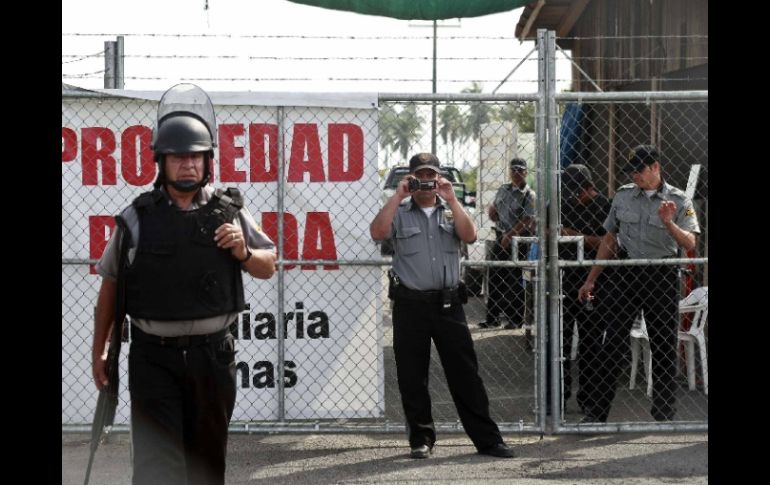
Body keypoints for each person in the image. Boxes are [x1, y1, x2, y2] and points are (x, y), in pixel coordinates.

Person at [91, 84, 277, 485]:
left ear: (207, 161)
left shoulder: (229, 213)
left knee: (206, 465)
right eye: (178, 157)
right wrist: (101, 350)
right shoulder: (137, 218)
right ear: (161, 162)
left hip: (212, 359)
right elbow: (110, 285)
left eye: (195, 156)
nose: (187, 165)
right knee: (158, 469)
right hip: (153, 361)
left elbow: (268, 266)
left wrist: (244, 252)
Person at [370, 153, 514, 459]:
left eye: (431, 176)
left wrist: (452, 199)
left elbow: (471, 236)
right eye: (419, 176)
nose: (426, 182)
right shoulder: (399, 212)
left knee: (465, 374)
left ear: (439, 179)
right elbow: (377, 233)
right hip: (410, 305)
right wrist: (397, 195)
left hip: (449, 304)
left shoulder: (451, 212)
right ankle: (420, 439)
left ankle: (488, 440)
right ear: (410, 179)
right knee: (412, 375)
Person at [577, 145, 700, 423]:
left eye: (640, 170)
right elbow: (610, 239)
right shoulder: (622, 196)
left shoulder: (679, 200)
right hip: (628, 273)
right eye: (631, 171)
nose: (635, 175)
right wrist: (591, 278)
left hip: (662, 275)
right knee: (612, 344)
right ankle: (596, 415)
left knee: (663, 347)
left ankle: (664, 415)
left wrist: (669, 224)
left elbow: (691, 242)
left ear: (655, 167)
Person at [557, 164, 611, 413]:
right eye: (571, 193)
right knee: (559, 341)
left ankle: (588, 400)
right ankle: (557, 396)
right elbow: (545, 230)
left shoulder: (604, 206)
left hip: (594, 282)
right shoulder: (562, 205)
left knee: (591, 343)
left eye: (579, 193)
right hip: (563, 281)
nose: (575, 198)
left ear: (591, 188)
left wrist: (576, 236)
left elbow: (609, 243)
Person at [479, 157, 536, 329]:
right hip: (501, 235)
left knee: (514, 280)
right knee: (495, 277)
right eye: (514, 170)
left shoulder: (528, 194)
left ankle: (515, 319)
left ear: (526, 172)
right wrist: (492, 213)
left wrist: (510, 235)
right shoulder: (504, 189)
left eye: (520, 170)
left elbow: (527, 220)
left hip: (518, 240)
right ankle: (492, 318)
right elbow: (495, 208)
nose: (517, 173)